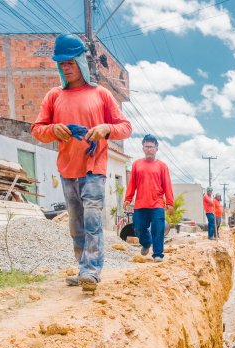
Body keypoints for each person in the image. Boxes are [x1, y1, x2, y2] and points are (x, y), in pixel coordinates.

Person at [31, 34, 132, 292]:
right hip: (67, 169)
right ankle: (83, 267)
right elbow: (37, 129)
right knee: (76, 223)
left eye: (70, 62)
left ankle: (92, 270)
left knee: (92, 220)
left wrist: (105, 129)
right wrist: (55, 130)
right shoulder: (54, 97)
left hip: (94, 169)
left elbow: (125, 128)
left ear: (80, 61)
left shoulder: (101, 95)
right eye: (61, 63)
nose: (66, 67)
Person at [124, 134, 174, 262]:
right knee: (138, 227)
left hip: (157, 204)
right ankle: (146, 243)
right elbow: (132, 183)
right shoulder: (137, 164)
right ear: (143, 148)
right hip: (140, 204)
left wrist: (170, 202)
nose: (149, 149)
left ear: (156, 148)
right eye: (147, 146)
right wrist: (128, 198)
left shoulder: (162, 166)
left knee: (158, 229)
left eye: (152, 147)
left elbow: (167, 185)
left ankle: (157, 254)